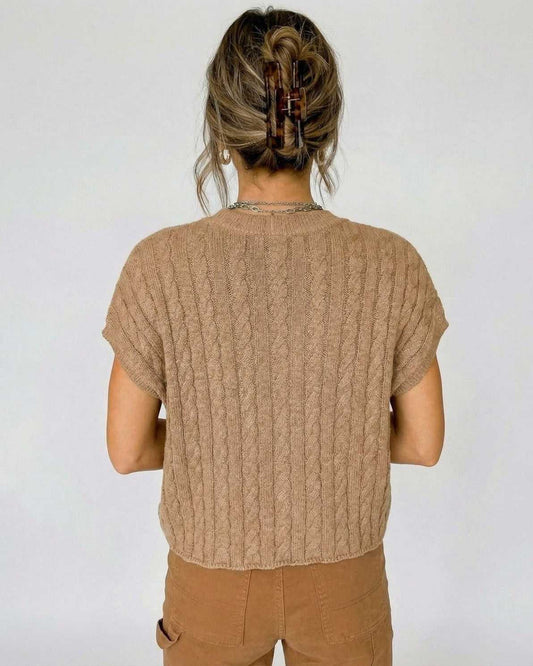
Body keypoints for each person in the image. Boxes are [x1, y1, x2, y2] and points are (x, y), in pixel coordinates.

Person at [101, 8, 449, 665]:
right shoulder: (391, 263)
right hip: (345, 582)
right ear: (323, 124)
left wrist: (227, 437)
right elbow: (423, 443)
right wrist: (322, 435)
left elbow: (127, 449)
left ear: (220, 126)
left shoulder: (159, 265)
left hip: (211, 583)